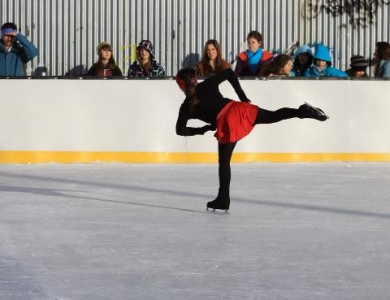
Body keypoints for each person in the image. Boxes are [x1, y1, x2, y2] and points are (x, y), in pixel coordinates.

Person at [174, 68, 329, 212]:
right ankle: (302, 111)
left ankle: (223, 199)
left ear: (181, 86)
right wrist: (242, 96)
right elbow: (228, 73)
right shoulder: (207, 84)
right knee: (273, 115)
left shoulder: (186, 107)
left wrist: (203, 129)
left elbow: (180, 131)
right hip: (238, 109)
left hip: (227, 122)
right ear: (195, 79)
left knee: (224, 162)